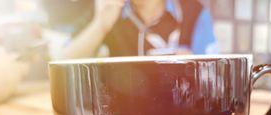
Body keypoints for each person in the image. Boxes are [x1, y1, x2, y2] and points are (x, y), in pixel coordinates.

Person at [46, 0, 218, 59]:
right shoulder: (108, 9)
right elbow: (61, 60)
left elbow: (215, 75)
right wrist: (101, 26)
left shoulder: (193, 11)